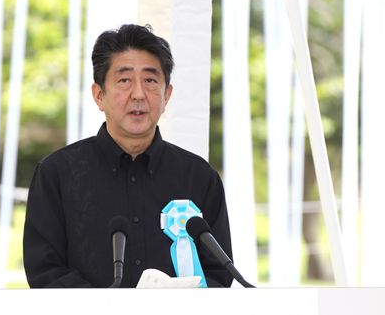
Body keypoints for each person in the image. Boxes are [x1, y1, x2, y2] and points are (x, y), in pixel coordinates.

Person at [23, 24, 233, 288]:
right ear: (99, 95)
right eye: (124, 80)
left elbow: (219, 274)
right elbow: (46, 272)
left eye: (150, 80)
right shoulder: (56, 175)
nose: (138, 94)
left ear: (166, 95)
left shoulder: (200, 178)